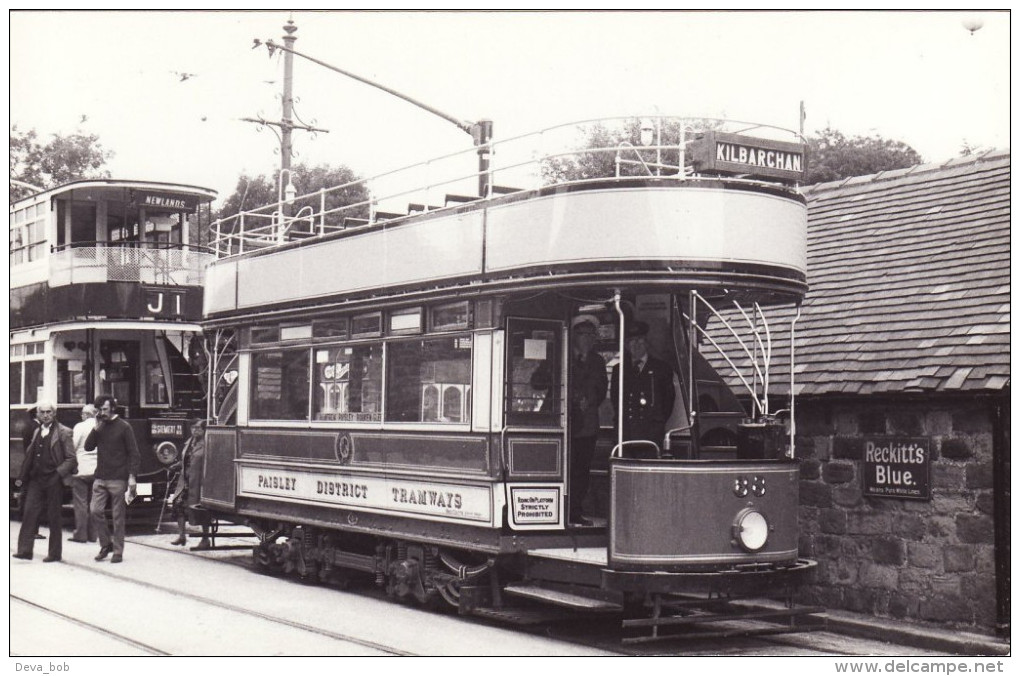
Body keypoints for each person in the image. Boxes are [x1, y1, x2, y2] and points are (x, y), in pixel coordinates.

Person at [13, 401, 77, 562]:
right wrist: (21, 478)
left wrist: (57, 474)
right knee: (29, 513)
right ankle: (25, 551)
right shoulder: (37, 432)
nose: (46, 415)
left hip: (53, 480)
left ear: (54, 414)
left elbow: (71, 459)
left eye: (49, 412)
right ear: (38, 415)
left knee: (53, 516)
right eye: (43, 412)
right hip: (36, 480)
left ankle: (54, 553)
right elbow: (29, 456)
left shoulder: (64, 432)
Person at [86, 395, 140, 564]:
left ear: (113, 408)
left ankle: (118, 551)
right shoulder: (100, 427)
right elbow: (88, 446)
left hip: (118, 477)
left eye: (104, 409)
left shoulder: (124, 427)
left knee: (118, 516)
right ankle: (105, 544)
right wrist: (95, 428)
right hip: (100, 476)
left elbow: (134, 453)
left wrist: (132, 477)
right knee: (95, 511)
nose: (102, 413)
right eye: (99, 410)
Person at [610, 321, 676, 452]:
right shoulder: (619, 370)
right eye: (632, 341)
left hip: (651, 434)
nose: (636, 344)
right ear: (627, 345)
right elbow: (615, 400)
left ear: (646, 342)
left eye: (640, 339)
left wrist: (656, 421)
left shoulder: (662, 368)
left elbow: (668, 402)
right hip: (625, 434)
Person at [568, 315, 607, 526]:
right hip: (565, 425)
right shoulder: (563, 355)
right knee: (565, 467)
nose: (588, 339)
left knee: (582, 470)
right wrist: (575, 400)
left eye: (591, 335)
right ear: (575, 336)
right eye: (584, 334)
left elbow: (601, 389)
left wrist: (589, 401)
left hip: (587, 426)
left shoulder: (598, 361)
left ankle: (576, 511)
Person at [168, 419, 211, 550]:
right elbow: (185, 460)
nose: (195, 431)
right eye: (193, 428)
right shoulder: (189, 443)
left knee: (201, 510)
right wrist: (175, 466)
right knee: (178, 505)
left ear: (204, 430)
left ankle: (205, 538)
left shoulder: (208, 444)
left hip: (199, 482)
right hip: (185, 481)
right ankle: (182, 535)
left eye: (198, 428)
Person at [67, 404, 99, 543]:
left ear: (86, 414)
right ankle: (93, 535)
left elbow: (72, 446)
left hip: (81, 469)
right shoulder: (101, 425)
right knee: (94, 503)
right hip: (97, 470)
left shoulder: (80, 426)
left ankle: (80, 534)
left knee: (80, 503)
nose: (81, 416)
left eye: (82, 414)